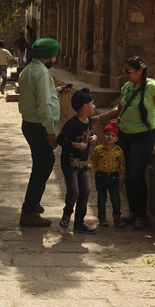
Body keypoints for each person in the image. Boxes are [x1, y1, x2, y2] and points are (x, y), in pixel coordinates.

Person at [97, 56, 155, 230]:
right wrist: (99, 118)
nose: (125, 74)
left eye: (128, 71)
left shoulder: (152, 87)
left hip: (143, 135)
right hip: (124, 134)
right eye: (124, 71)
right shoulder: (127, 86)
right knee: (126, 175)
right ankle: (132, 212)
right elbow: (120, 109)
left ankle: (141, 215)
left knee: (136, 175)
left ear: (140, 71)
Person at [17, 37, 73, 227]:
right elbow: (43, 105)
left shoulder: (30, 69)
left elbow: (37, 96)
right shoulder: (41, 73)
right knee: (42, 167)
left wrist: (54, 91)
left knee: (42, 165)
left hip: (30, 123)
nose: (55, 60)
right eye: (54, 56)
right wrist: (51, 132)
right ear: (48, 56)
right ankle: (29, 210)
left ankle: (33, 202)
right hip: (39, 126)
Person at [57, 88, 98, 232]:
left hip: (83, 164)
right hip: (70, 163)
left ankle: (79, 223)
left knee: (85, 192)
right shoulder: (72, 123)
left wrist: (94, 137)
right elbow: (61, 139)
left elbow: (88, 133)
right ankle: (67, 213)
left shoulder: (89, 121)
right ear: (85, 106)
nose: (94, 106)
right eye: (92, 103)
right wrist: (75, 144)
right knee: (74, 191)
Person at [89, 121, 126, 227]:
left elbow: (121, 166)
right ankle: (102, 217)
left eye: (113, 135)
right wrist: (89, 166)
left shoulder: (119, 151)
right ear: (102, 135)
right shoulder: (98, 150)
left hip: (114, 177)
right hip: (101, 176)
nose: (110, 137)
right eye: (107, 134)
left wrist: (121, 178)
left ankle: (117, 217)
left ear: (116, 139)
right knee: (101, 197)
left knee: (115, 198)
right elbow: (93, 160)